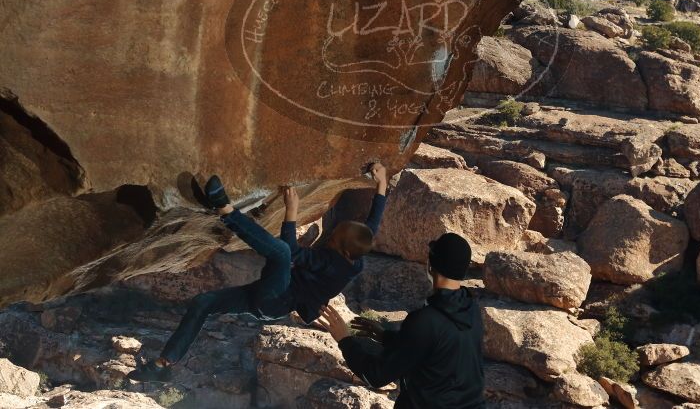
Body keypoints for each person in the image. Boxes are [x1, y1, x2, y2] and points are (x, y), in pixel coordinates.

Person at [128, 163, 388, 382]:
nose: (330, 235)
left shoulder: (331, 263)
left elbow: (291, 250)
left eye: (333, 237)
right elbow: (372, 224)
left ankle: (225, 210)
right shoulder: (355, 253)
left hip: (278, 299)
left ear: (343, 250)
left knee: (281, 253)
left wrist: (291, 210)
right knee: (203, 303)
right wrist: (382, 183)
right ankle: (163, 364)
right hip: (268, 296)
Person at [315, 232, 485, 408]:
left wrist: (344, 340)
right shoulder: (471, 310)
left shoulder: (425, 320)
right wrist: (386, 337)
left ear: (431, 266)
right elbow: (435, 347)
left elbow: (375, 376)